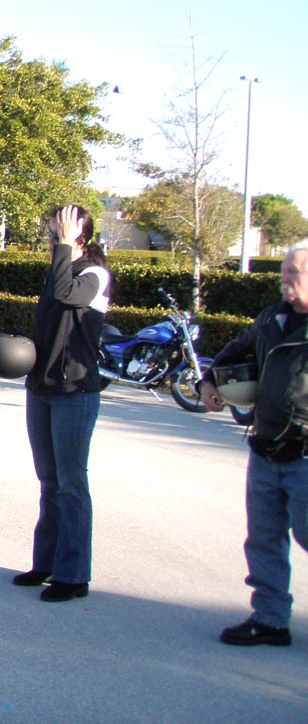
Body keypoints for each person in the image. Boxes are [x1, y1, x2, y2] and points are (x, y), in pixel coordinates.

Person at [199, 238, 308, 647]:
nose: (284, 279)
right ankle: (270, 619)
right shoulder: (270, 319)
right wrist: (208, 381)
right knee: (263, 538)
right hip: (265, 447)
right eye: (284, 271)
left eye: (293, 272)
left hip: (303, 451)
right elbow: (233, 351)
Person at [12, 205, 110, 603]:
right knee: (48, 482)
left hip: (76, 394)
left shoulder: (95, 274)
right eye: (52, 235)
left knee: (71, 483)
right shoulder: (59, 270)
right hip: (42, 388)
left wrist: (65, 248)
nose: (51, 241)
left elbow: (65, 294)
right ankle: (47, 563)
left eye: (58, 235)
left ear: (79, 239)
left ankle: (73, 575)